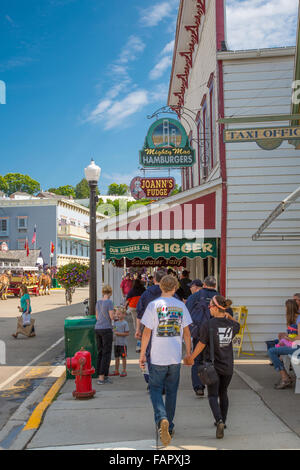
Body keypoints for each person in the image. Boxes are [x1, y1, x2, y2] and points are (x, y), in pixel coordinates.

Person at [139, 275, 192, 447]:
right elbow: (187, 333)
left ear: (161, 287)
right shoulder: (181, 305)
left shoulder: (153, 305)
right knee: (171, 392)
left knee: (155, 389)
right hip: (174, 357)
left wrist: (141, 354)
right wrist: (189, 353)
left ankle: (162, 418)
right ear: (176, 288)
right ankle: (169, 425)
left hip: (157, 356)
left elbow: (146, 332)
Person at [184, 295, 240, 439]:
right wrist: (229, 316)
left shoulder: (208, 325)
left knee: (213, 395)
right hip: (228, 365)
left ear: (215, 307)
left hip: (212, 366)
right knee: (224, 393)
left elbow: (201, 344)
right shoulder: (231, 325)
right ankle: (224, 421)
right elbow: (238, 325)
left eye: (210, 307)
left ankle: (219, 420)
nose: (209, 309)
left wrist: (191, 357)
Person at [185, 276, 218, 397]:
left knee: (197, 359)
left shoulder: (195, 296)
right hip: (215, 333)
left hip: (199, 332)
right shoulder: (219, 297)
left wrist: (190, 329)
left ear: (204, 284)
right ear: (215, 285)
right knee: (213, 359)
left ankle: (199, 387)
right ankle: (213, 385)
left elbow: (186, 311)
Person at [135, 270, 167, 385]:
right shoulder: (170, 294)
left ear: (154, 280)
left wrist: (138, 329)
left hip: (149, 328)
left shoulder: (146, 294)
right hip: (166, 328)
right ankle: (162, 381)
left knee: (149, 355)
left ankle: (151, 380)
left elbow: (139, 313)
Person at [268, 299, 300, 389]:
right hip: (294, 345)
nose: (285, 309)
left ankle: (285, 377)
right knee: (273, 349)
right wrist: (286, 335)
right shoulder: (293, 319)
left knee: (271, 351)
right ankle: (285, 376)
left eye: (286, 307)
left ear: (289, 308)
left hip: (297, 348)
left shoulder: (299, 319)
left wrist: (288, 338)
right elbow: (295, 334)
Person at [95, 285, 115, 385]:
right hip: (106, 329)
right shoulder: (109, 302)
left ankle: (100, 374)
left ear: (103, 292)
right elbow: (111, 317)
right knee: (106, 353)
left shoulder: (98, 302)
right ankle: (102, 377)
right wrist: (116, 315)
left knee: (100, 352)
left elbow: (97, 316)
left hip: (97, 328)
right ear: (110, 293)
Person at [126, 278, 146, 352]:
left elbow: (128, 299)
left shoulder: (132, 290)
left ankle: (138, 342)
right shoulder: (143, 289)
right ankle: (142, 341)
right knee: (143, 324)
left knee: (136, 323)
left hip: (133, 308)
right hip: (142, 308)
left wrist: (125, 307)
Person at [110, 306, 129, 377]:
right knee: (116, 357)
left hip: (122, 344)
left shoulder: (125, 323)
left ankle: (124, 370)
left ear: (124, 315)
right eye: (117, 314)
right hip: (116, 343)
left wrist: (119, 334)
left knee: (123, 357)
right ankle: (116, 370)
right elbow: (114, 330)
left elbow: (127, 333)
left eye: (119, 314)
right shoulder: (115, 323)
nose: (117, 315)